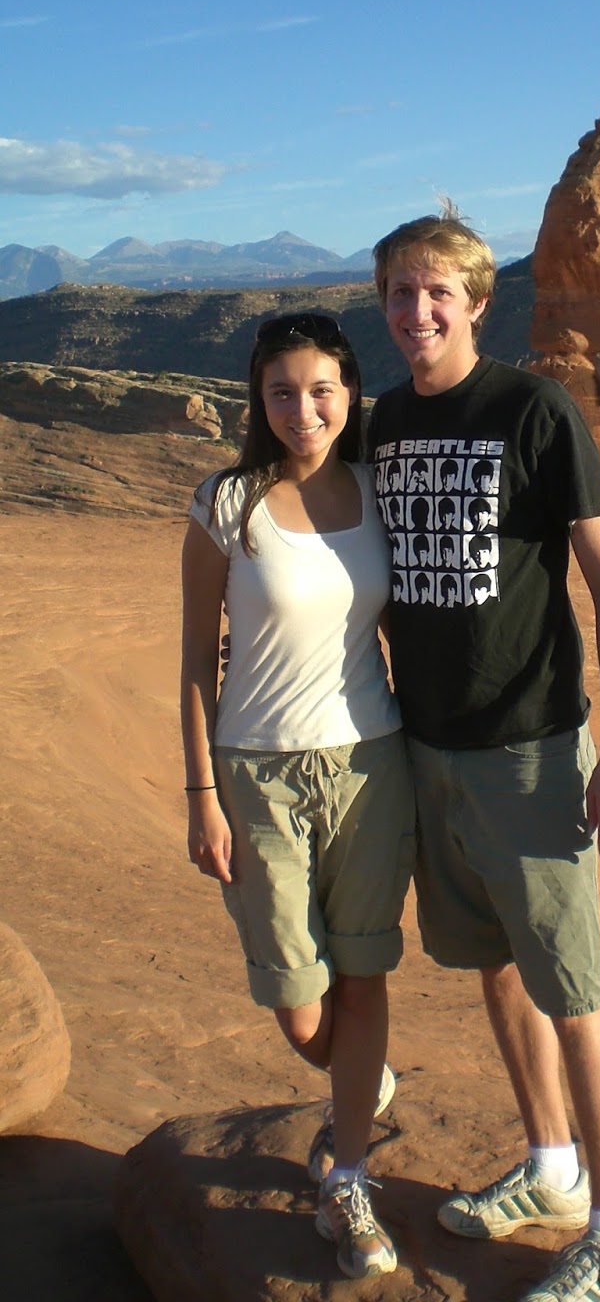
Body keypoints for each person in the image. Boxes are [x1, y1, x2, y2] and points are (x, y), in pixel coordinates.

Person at [368, 213, 600, 1302]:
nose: (418, 312)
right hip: (429, 746)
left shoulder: (535, 408)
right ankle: (553, 1169)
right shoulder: (383, 419)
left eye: (438, 292)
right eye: (399, 292)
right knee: (492, 962)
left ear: (477, 303)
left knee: (573, 988)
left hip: (529, 751)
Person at [180, 311, 414, 1280]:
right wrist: (200, 791)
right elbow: (197, 656)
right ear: (257, 399)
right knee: (301, 1003)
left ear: (349, 392)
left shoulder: (380, 493)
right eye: (282, 391)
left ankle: (346, 1178)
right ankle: (365, 1080)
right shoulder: (225, 504)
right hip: (255, 771)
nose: (303, 409)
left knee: (363, 977)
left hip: (370, 763)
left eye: (322, 390)